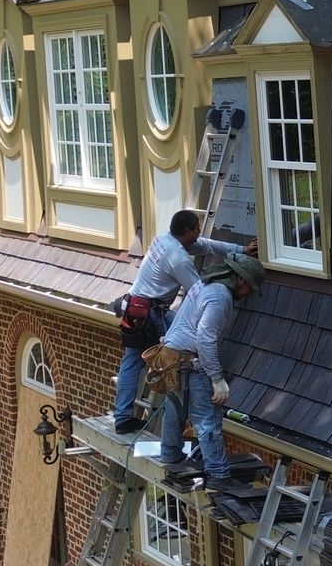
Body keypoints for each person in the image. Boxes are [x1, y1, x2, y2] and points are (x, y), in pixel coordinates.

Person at [111, 210, 257, 434]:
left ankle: (122, 417)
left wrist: (240, 250)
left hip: (133, 306)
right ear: (186, 231)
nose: (199, 233)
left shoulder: (164, 239)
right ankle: (193, 411)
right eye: (196, 229)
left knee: (131, 363)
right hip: (151, 312)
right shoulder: (178, 259)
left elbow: (205, 245)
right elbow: (200, 294)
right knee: (182, 351)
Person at [155, 252, 265, 500]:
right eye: (250, 288)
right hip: (189, 361)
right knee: (208, 422)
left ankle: (170, 455)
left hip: (171, 356)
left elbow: (183, 319)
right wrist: (217, 379)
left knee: (175, 409)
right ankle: (219, 476)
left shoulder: (202, 285)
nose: (247, 294)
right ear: (241, 281)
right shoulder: (220, 298)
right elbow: (205, 338)